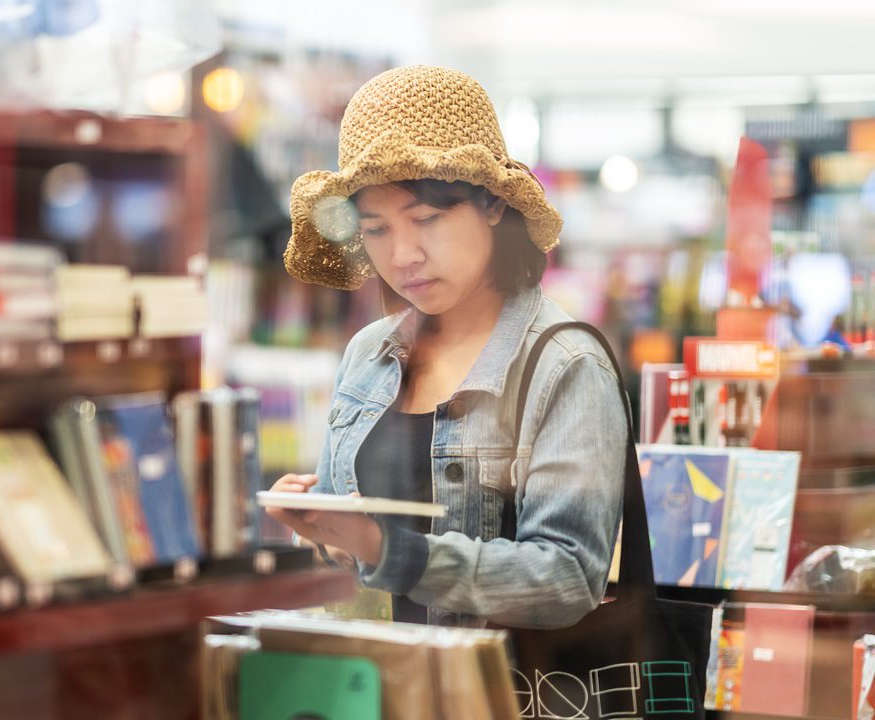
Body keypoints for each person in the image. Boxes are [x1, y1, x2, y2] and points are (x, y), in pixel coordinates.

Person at [267, 65, 629, 628]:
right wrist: (322, 529)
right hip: (371, 689)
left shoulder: (564, 365)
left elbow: (568, 577)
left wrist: (394, 552)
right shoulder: (369, 354)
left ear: (493, 206)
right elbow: (351, 554)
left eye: (426, 219)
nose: (403, 255)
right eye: (377, 229)